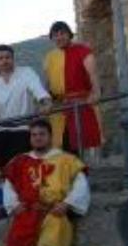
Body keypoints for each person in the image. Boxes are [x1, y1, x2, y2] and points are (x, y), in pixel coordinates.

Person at [3, 119, 90, 246]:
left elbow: (81, 185)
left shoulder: (67, 160)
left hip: (54, 214)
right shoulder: (20, 161)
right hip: (27, 213)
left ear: (50, 136)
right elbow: (9, 184)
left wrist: (67, 203)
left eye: (42, 134)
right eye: (34, 135)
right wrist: (13, 204)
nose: (37, 138)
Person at [0, 45, 52, 167]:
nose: (4, 61)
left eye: (8, 57)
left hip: (23, 129)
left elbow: (37, 89)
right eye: (0, 58)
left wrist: (45, 101)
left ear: (13, 59)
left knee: (21, 168)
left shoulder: (26, 72)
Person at [44, 21, 103, 162]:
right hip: (59, 108)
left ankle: (83, 174)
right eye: (55, 35)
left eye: (62, 33)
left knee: (82, 144)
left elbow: (93, 74)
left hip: (81, 104)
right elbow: (48, 82)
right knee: (63, 146)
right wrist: (46, 101)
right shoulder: (50, 57)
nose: (59, 37)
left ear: (69, 34)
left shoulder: (83, 51)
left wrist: (96, 93)